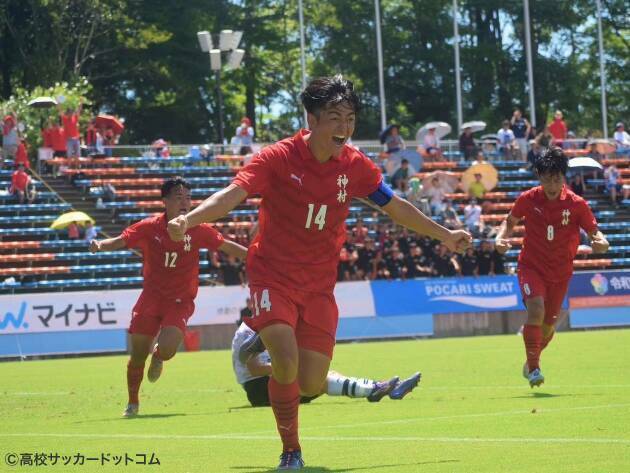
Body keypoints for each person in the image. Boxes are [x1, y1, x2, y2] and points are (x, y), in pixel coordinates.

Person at [166, 75, 471, 470]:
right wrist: (189, 220)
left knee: (309, 383)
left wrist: (444, 235)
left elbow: (393, 205)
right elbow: (233, 194)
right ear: (311, 118)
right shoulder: (277, 158)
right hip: (272, 275)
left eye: (350, 118)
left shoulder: (356, 165)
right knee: (288, 362)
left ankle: (267, 357)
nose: (344, 127)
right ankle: (291, 450)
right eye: (334, 117)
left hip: (319, 285)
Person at [89, 177, 248, 417]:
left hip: (180, 301)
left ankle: (160, 356)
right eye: (178, 197)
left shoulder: (198, 228)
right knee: (137, 355)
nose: (184, 202)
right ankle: (133, 402)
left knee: (169, 349)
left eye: (187, 198)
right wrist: (100, 245)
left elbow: (227, 246)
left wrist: (257, 258)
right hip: (151, 299)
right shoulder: (148, 227)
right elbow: (122, 241)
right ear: (165, 201)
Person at [494, 147, 608, 388]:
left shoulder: (577, 204)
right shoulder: (528, 198)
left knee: (548, 327)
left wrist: (601, 241)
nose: (552, 184)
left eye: (556, 178)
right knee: (536, 310)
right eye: (547, 179)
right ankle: (535, 370)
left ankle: (531, 360)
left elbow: (594, 232)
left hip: (561, 272)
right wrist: (500, 238)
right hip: (531, 266)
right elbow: (510, 221)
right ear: (540, 178)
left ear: (563, 178)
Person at [233, 322, 421, 407]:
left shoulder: (263, 326)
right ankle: (376, 389)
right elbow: (255, 369)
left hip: (269, 382)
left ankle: (380, 388)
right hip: (258, 389)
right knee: (318, 381)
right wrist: (291, 368)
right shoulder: (249, 333)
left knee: (325, 374)